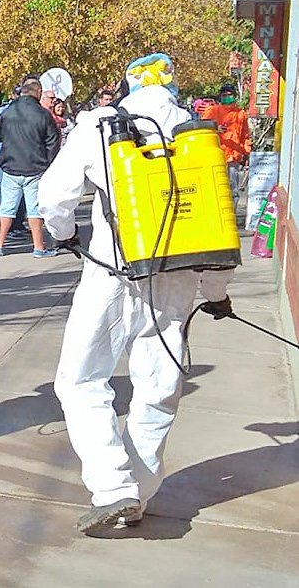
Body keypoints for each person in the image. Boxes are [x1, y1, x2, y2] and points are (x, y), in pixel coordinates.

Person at [38, 53, 233, 532]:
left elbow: (54, 197)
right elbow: (215, 224)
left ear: (128, 87)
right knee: (158, 387)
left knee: (81, 380)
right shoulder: (196, 133)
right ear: (173, 87)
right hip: (177, 278)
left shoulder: (101, 125)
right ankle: (139, 494)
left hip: (112, 273)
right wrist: (216, 293)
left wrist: (65, 234)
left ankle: (113, 488)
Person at [0, 77, 60, 258]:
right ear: (38, 92)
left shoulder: (7, 112)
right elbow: (53, 142)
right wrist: (48, 163)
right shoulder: (43, 114)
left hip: (10, 166)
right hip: (35, 167)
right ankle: (39, 248)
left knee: (6, 209)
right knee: (34, 209)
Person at [199, 84, 250, 211]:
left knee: (233, 189)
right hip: (216, 156)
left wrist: (247, 152)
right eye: (224, 95)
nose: (227, 97)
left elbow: (245, 135)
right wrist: (215, 128)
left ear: (234, 96)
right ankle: (216, 212)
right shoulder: (212, 111)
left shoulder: (241, 113)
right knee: (216, 187)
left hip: (234, 157)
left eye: (229, 95)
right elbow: (201, 127)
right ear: (220, 96)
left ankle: (231, 215)